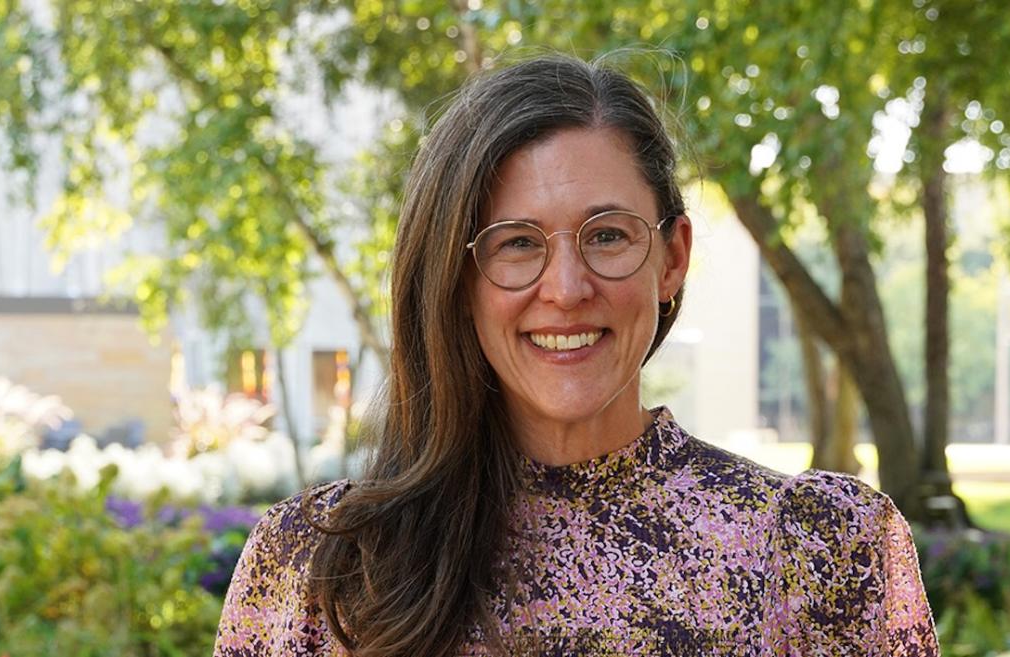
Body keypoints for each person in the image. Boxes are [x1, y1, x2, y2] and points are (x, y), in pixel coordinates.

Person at [213, 54, 938, 657]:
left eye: (608, 235)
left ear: (672, 258)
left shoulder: (820, 552)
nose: (565, 289)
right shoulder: (320, 569)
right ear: (456, 278)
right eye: (517, 243)